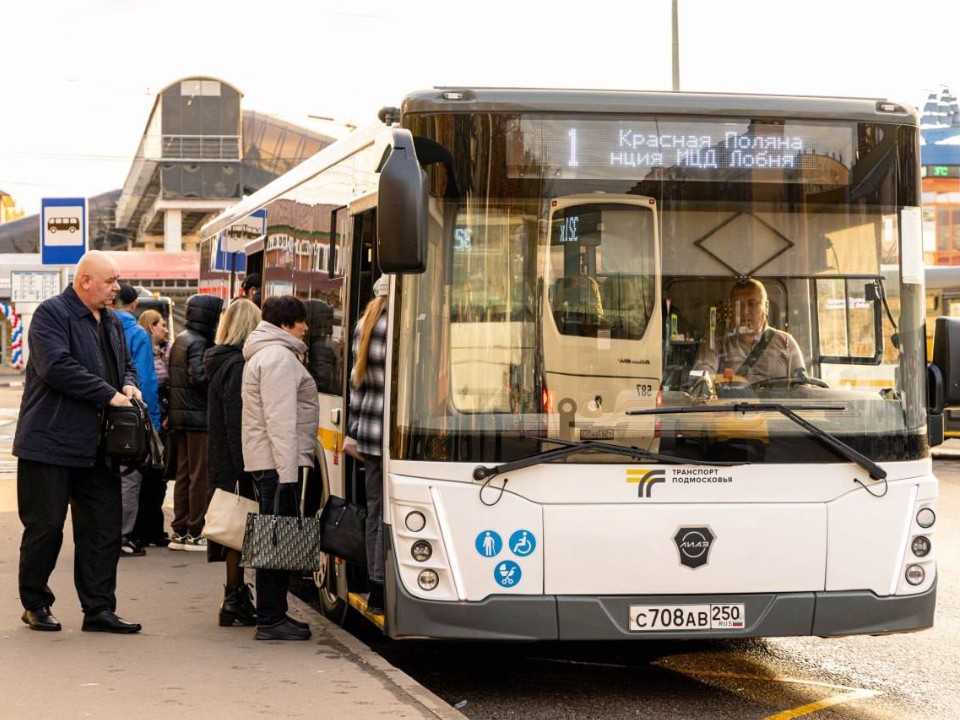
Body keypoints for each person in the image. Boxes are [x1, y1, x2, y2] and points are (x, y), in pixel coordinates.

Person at [14, 249, 142, 634]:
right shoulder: (52, 314)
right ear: (85, 281)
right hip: (49, 442)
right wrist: (109, 395)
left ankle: (99, 609)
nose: (117, 288)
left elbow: (125, 364)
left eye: (117, 280)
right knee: (46, 528)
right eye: (110, 281)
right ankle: (36, 604)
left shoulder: (113, 321)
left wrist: (129, 384)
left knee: (103, 529)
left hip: (99, 445)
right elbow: (56, 367)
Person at [241, 295, 317, 640]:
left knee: (274, 538)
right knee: (275, 540)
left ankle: (273, 614)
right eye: (301, 321)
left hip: (270, 461)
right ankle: (271, 618)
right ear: (286, 324)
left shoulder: (269, 354)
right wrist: (289, 476)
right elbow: (281, 421)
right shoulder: (278, 358)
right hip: (277, 464)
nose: (306, 328)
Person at [204, 298, 261, 627]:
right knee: (239, 529)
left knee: (235, 529)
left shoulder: (219, 360)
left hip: (221, 457)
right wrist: (246, 468)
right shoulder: (238, 365)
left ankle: (234, 598)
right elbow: (236, 420)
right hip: (235, 460)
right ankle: (233, 599)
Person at [167, 293, 223, 550]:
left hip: (180, 416)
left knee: (184, 474)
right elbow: (199, 377)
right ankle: (196, 530)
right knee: (200, 475)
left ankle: (180, 529)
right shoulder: (200, 342)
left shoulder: (181, 338)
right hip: (199, 418)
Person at [347, 274, 389, 615]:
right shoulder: (397, 325)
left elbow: (356, 385)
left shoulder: (364, 325)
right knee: (392, 511)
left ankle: (376, 586)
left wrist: (354, 429)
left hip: (369, 431)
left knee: (375, 509)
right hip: (393, 433)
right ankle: (387, 582)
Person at [113, 283, 161, 557]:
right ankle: (121, 537)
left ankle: (104, 535)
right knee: (129, 478)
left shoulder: (98, 325)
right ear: (134, 305)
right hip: (129, 418)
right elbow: (146, 382)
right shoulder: (137, 334)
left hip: (101, 413)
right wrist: (152, 423)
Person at [694, 278, 805, 383]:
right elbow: (703, 372)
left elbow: (802, 385)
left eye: (752, 304)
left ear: (766, 307)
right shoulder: (716, 339)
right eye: (737, 305)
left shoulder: (785, 342)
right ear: (731, 308)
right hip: (731, 397)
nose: (744, 311)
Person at [131, 308, 171, 547]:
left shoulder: (162, 352)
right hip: (151, 418)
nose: (165, 329)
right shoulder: (145, 352)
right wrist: (155, 419)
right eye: (161, 324)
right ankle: (146, 529)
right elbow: (147, 384)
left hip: (159, 417)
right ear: (151, 327)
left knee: (156, 478)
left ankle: (151, 528)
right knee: (150, 477)